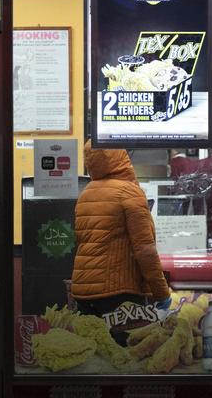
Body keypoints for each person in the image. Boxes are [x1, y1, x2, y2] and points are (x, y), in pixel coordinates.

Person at [71, 140, 171, 339]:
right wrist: (162, 294)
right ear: (120, 155)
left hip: (82, 293)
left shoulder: (86, 193)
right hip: (118, 295)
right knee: (125, 359)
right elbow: (144, 250)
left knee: (94, 358)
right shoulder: (128, 192)